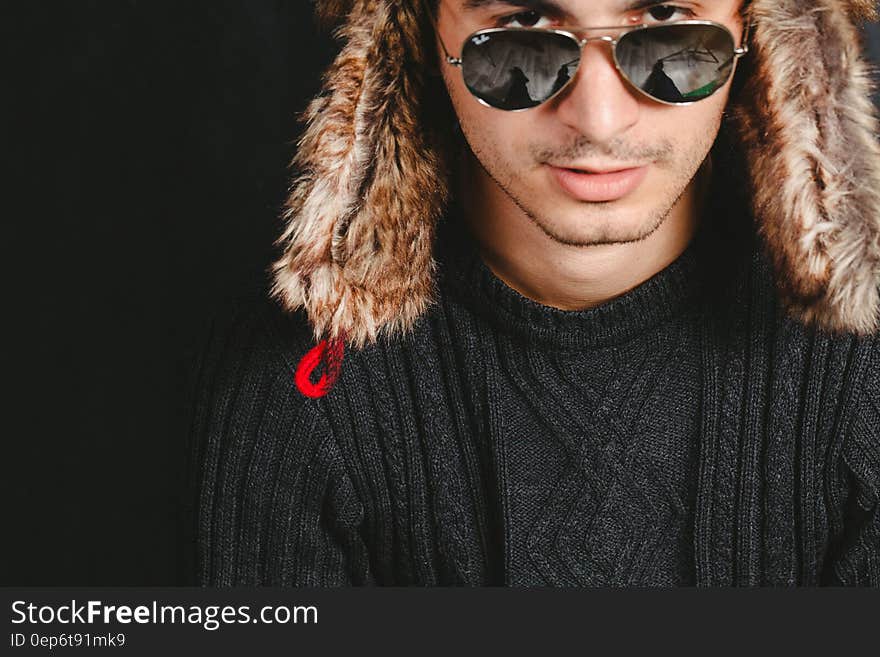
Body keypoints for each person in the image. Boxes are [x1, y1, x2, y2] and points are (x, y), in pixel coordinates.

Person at [189, 0, 880, 586]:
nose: (599, 121)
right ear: (420, 34)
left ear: (759, 26)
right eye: (521, 26)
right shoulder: (299, 384)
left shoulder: (860, 376)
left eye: (668, 21)